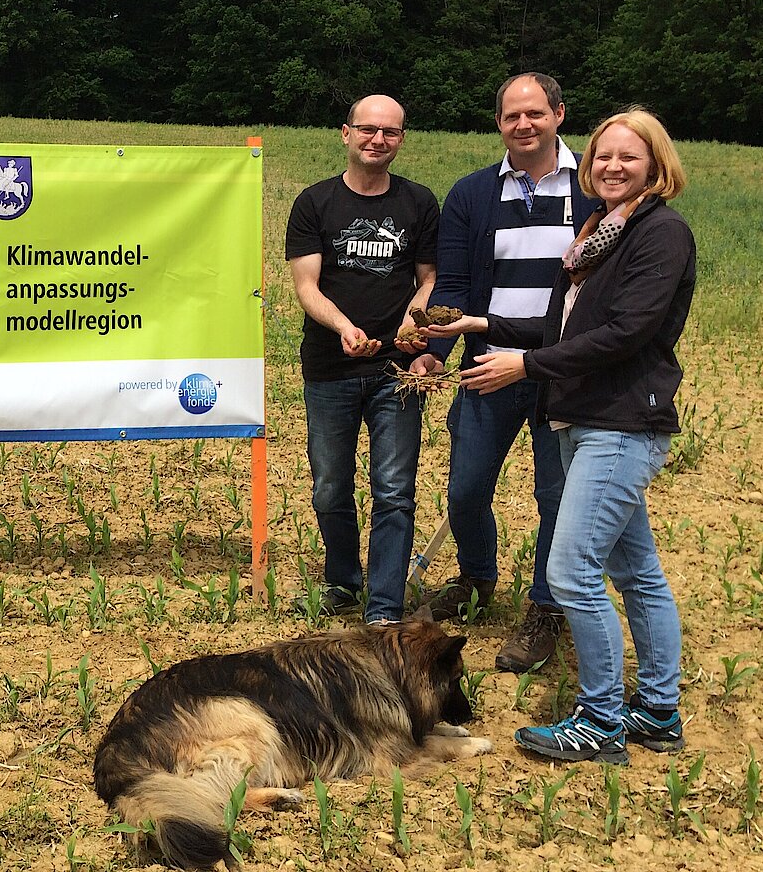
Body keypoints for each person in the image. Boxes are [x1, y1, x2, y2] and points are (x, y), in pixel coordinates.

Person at [427, 107, 694, 763]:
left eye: (628, 157)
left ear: (657, 165)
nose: (611, 166)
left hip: (620, 423)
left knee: (572, 571)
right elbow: (561, 333)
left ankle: (601, 720)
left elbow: (626, 333)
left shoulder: (660, 234)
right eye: (603, 156)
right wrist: (482, 329)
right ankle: (658, 712)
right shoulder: (597, 234)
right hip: (582, 417)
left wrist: (528, 366)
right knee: (637, 573)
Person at [422, 73, 602, 673]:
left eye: (534, 113)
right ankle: (476, 577)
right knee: (466, 488)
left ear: (558, 114)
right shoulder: (472, 195)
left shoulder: (594, 191)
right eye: (510, 116)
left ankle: (546, 608)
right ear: (498, 123)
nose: (523, 125)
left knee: (556, 496)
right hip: (486, 367)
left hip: (564, 374)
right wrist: (433, 353)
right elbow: (450, 287)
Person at [285, 95, 442, 626]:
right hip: (329, 368)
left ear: (401, 139)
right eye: (368, 130)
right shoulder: (315, 203)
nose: (379, 140)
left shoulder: (419, 203)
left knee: (394, 490)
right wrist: (343, 327)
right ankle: (343, 582)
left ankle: (384, 608)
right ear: (345, 134)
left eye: (391, 132)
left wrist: (414, 319)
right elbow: (306, 285)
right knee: (330, 486)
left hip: (396, 374)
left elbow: (429, 278)